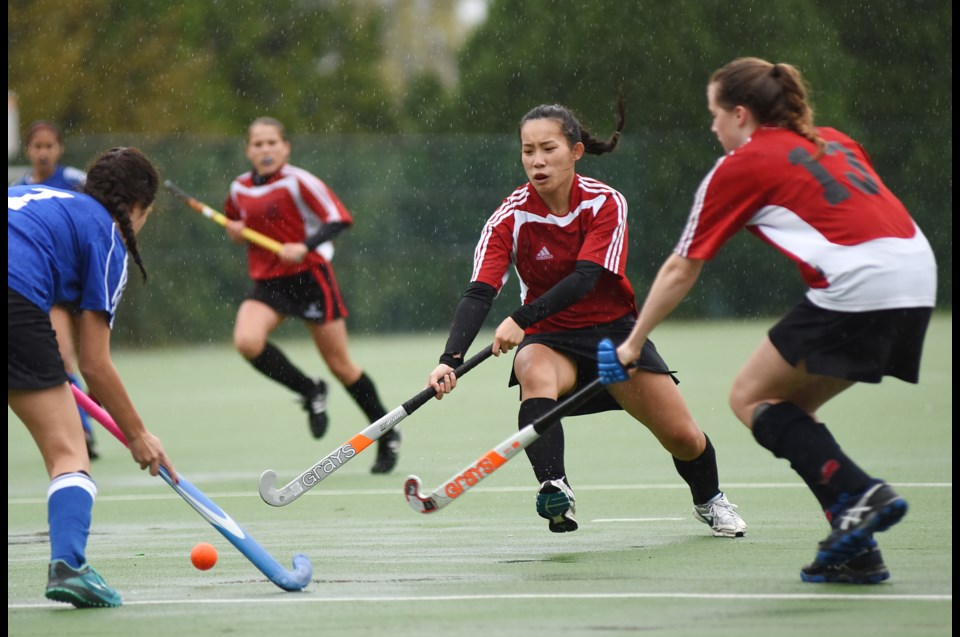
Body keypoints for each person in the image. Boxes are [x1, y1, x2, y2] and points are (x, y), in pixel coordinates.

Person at [600, 57, 937, 584]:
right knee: (794, 409)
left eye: (715, 114)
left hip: (861, 282)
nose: (712, 127)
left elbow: (682, 267)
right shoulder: (835, 140)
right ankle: (857, 549)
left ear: (740, 114)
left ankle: (860, 493)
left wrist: (632, 343)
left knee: (750, 398)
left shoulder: (741, 164)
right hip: (917, 277)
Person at [426, 100, 747, 537]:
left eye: (548, 148)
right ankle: (554, 487)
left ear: (575, 151)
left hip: (614, 335)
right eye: (527, 151)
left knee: (684, 438)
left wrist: (521, 316)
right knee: (531, 368)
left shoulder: (604, 203)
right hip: (551, 337)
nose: (536, 161)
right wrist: (451, 357)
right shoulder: (509, 217)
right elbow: (481, 290)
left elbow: (586, 277)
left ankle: (709, 500)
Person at [8, 146, 179, 608]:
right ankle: (69, 566)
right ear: (139, 208)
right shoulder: (106, 236)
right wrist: (138, 434)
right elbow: (96, 365)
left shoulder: (41, 196)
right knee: (68, 451)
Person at [223, 116, 400, 474]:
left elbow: (339, 219)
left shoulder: (299, 182)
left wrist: (304, 245)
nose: (266, 149)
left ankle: (386, 431)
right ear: (248, 150)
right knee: (246, 341)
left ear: (286, 147)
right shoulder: (238, 189)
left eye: (273, 142)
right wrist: (235, 231)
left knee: (341, 365)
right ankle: (309, 390)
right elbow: (235, 221)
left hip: (310, 278)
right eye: (258, 144)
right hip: (269, 283)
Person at [11, 120, 100, 460]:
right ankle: (82, 430)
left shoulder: (75, 180)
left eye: (49, 146)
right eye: (37, 147)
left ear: (59, 149)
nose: (43, 153)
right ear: (29, 151)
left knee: (96, 361)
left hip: (83, 280)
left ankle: (92, 414)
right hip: (52, 289)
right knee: (63, 358)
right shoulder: (21, 186)